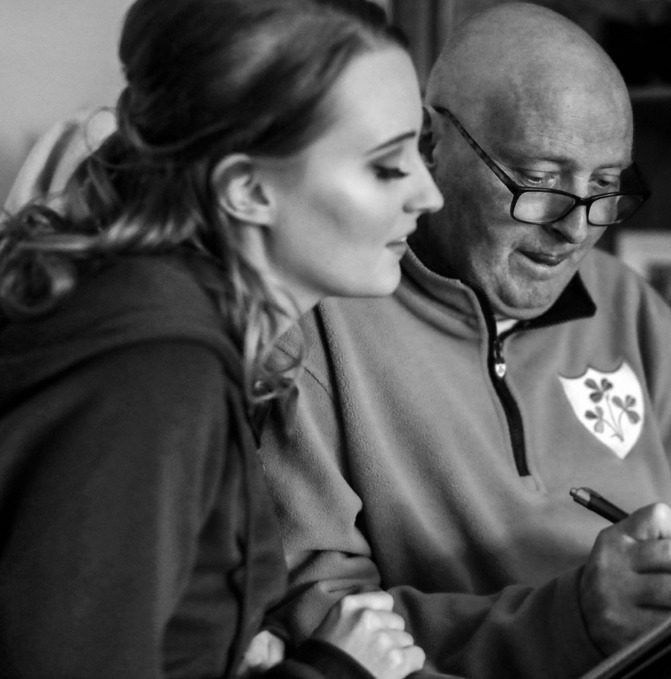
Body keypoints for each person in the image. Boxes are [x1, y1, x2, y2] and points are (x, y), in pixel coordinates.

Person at [256, 4, 671, 678]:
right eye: (540, 181)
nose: (574, 230)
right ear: (432, 143)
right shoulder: (316, 320)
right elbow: (328, 625)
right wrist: (573, 618)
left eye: (606, 187)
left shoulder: (630, 304)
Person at [0, 0, 444, 677]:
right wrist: (333, 670)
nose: (429, 194)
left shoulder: (179, 332)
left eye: (422, 148)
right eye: (387, 165)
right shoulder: (152, 377)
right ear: (247, 189)